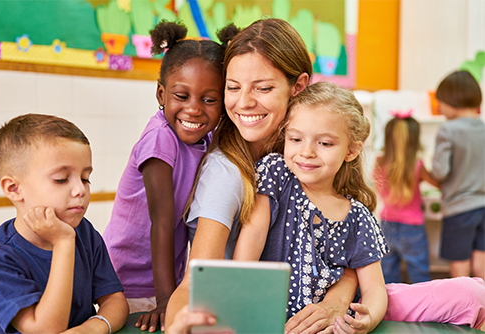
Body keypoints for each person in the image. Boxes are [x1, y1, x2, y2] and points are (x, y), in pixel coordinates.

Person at [166, 18, 359, 334]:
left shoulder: (310, 159)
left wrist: (338, 298)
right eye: (233, 87)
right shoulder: (226, 173)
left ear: (297, 86)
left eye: (264, 88)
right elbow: (194, 281)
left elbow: (351, 245)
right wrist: (180, 325)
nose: (244, 103)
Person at [234, 81, 389, 334]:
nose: (306, 152)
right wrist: (237, 294)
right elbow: (253, 234)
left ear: (351, 151)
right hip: (261, 320)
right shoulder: (277, 174)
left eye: (325, 144)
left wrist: (367, 319)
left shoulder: (358, 217)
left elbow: (374, 288)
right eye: (295, 139)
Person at [102, 20, 226, 332]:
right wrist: (166, 299)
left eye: (209, 99)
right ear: (161, 94)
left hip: (165, 276)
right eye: (181, 96)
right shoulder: (160, 138)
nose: (194, 110)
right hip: (128, 281)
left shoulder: (205, 140)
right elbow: (162, 220)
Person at [0, 114, 129, 334]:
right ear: (14, 188)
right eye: (61, 179)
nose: (80, 190)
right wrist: (63, 242)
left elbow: (115, 300)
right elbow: (46, 330)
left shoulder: (84, 232)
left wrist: (92, 328)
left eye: (85, 178)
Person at [373, 112, 439, 284]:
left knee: (387, 275)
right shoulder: (417, 166)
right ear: (414, 141)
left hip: (386, 224)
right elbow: (439, 183)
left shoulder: (379, 162)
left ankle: (389, 310)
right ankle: (425, 310)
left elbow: (378, 189)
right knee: (419, 275)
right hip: (412, 227)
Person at [432, 70, 485, 279]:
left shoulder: (448, 130)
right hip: (483, 206)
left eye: (441, 102)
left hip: (459, 209)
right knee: (481, 260)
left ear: (452, 100)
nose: (439, 108)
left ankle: (462, 309)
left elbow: (440, 172)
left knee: (460, 263)